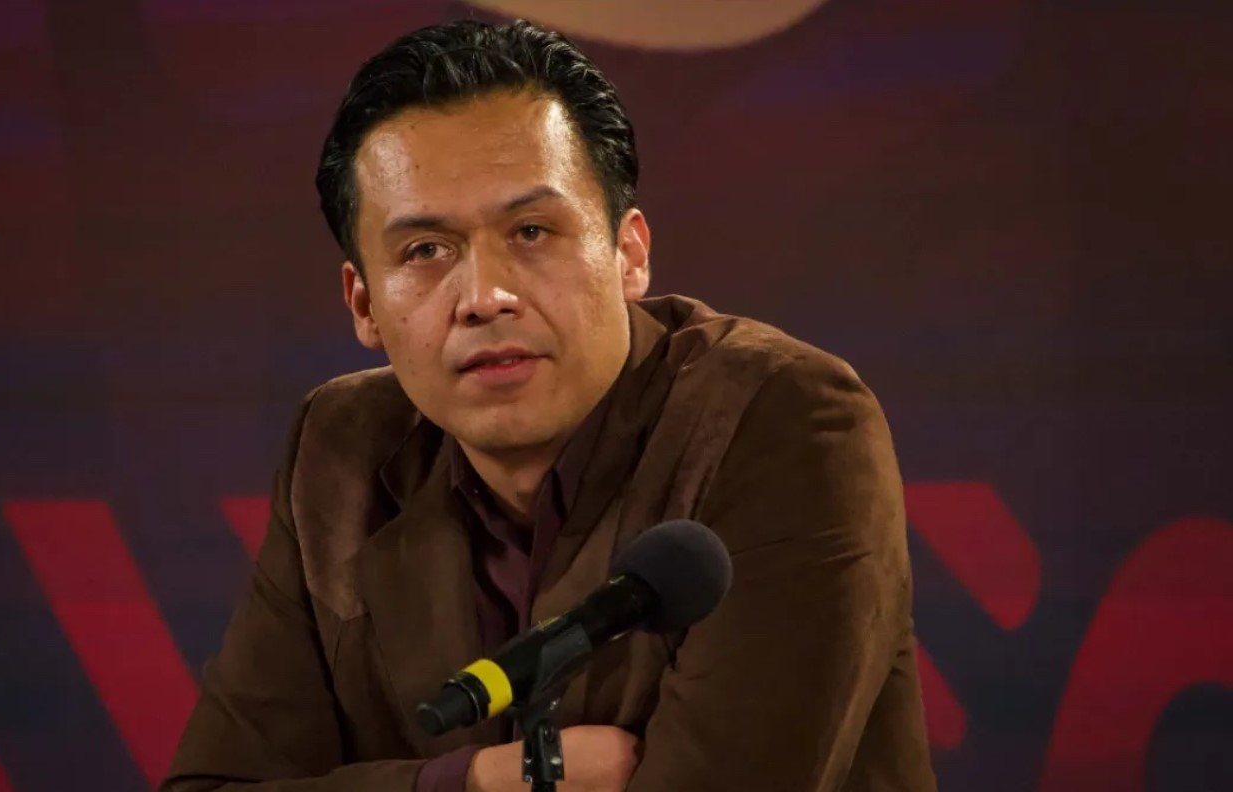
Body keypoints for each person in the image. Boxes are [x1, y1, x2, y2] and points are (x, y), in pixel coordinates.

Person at [162, 18, 936, 792]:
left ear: (628, 253)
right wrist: (479, 781)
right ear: (363, 303)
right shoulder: (340, 451)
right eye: (425, 250)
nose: (485, 296)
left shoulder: (784, 421)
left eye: (531, 231)